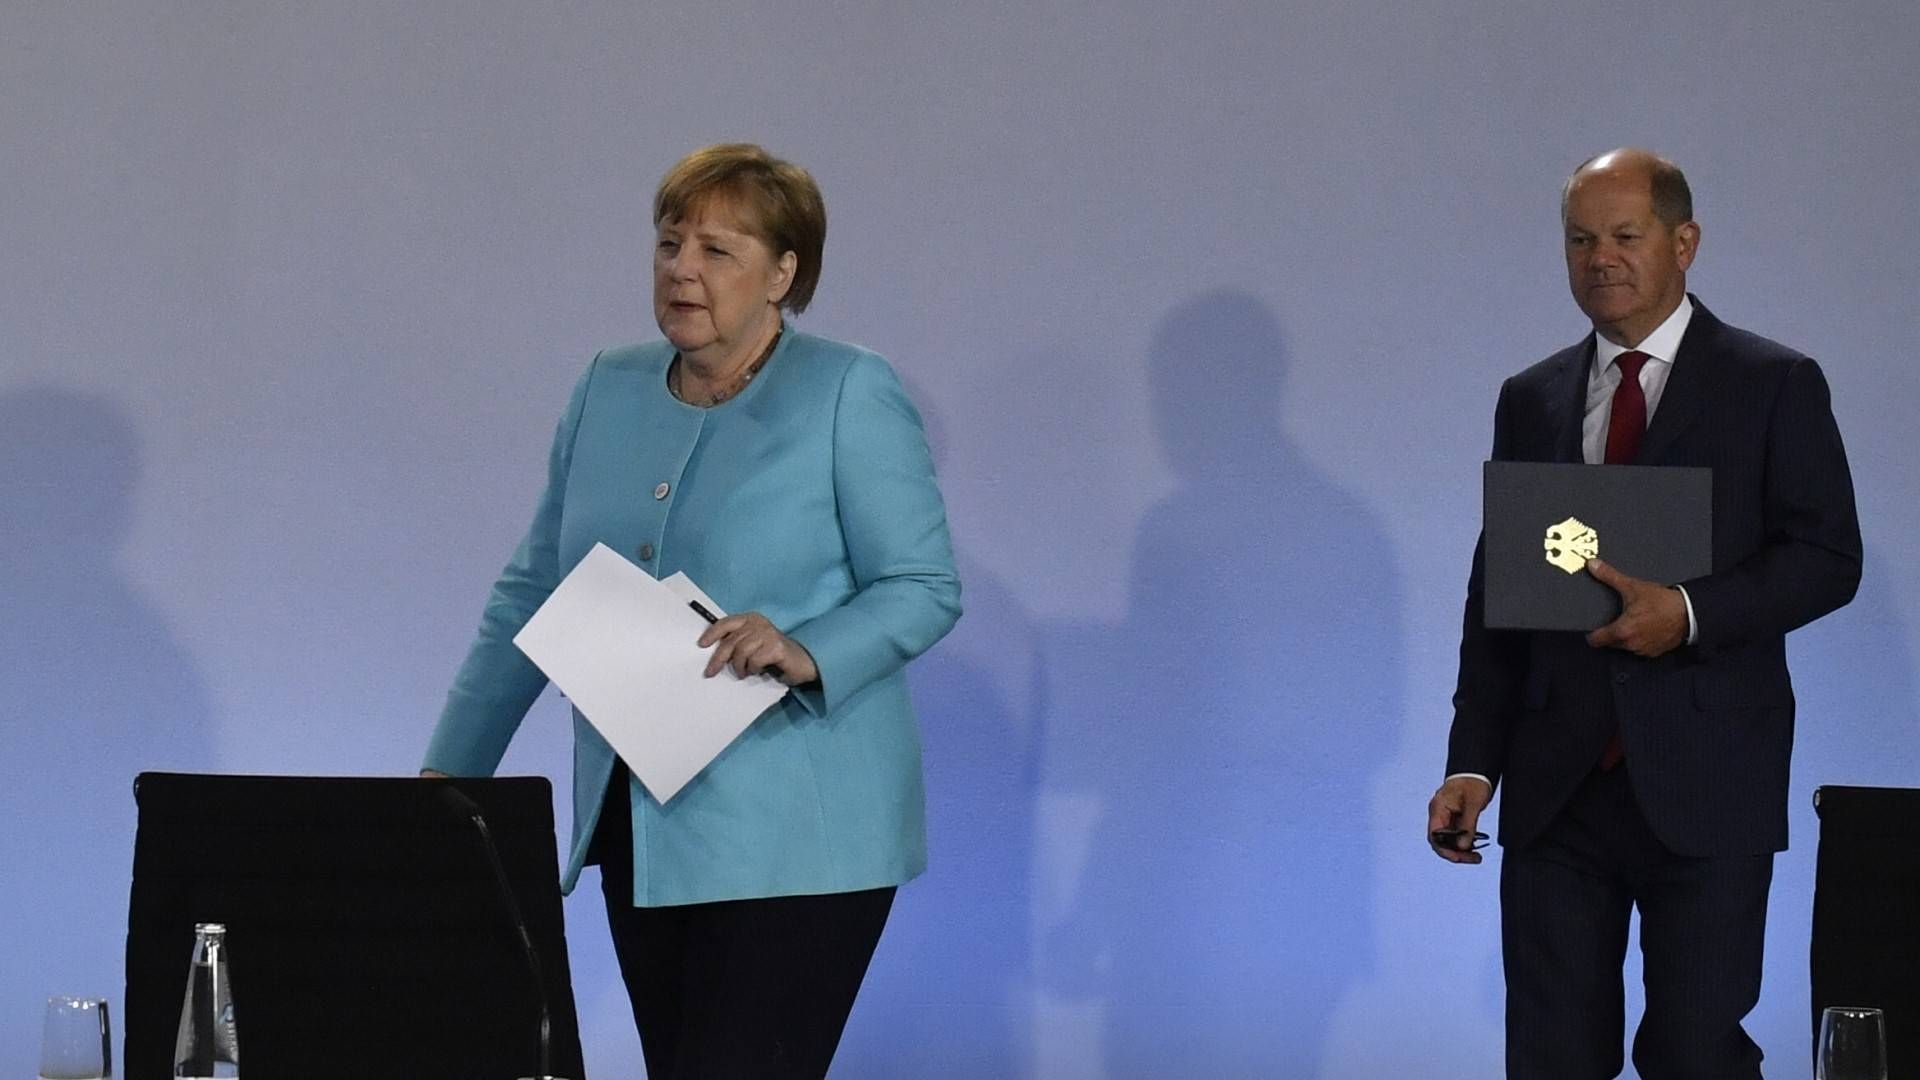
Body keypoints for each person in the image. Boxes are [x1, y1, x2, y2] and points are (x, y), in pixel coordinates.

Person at [421, 143, 962, 1079]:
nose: (681, 268)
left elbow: (923, 585)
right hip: (643, 829)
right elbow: (531, 594)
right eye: (670, 243)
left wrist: (803, 645)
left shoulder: (847, 389)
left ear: (783, 273)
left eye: (717, 249)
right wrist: (447, 779)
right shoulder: (607, 385)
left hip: (801, 839)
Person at [1425, 148, 1861, 1078]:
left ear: (1685, 241)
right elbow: (1498, 593)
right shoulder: (1530, 397)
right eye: (1581, 240)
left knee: (1695, 1055)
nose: (1601, 259)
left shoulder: (1773, 383)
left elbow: (1827, 558)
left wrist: (1691, 614)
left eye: (1626, 236)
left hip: (1708, 783)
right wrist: (1472, 762)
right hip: (1558, 794)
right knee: (1550, 1057)